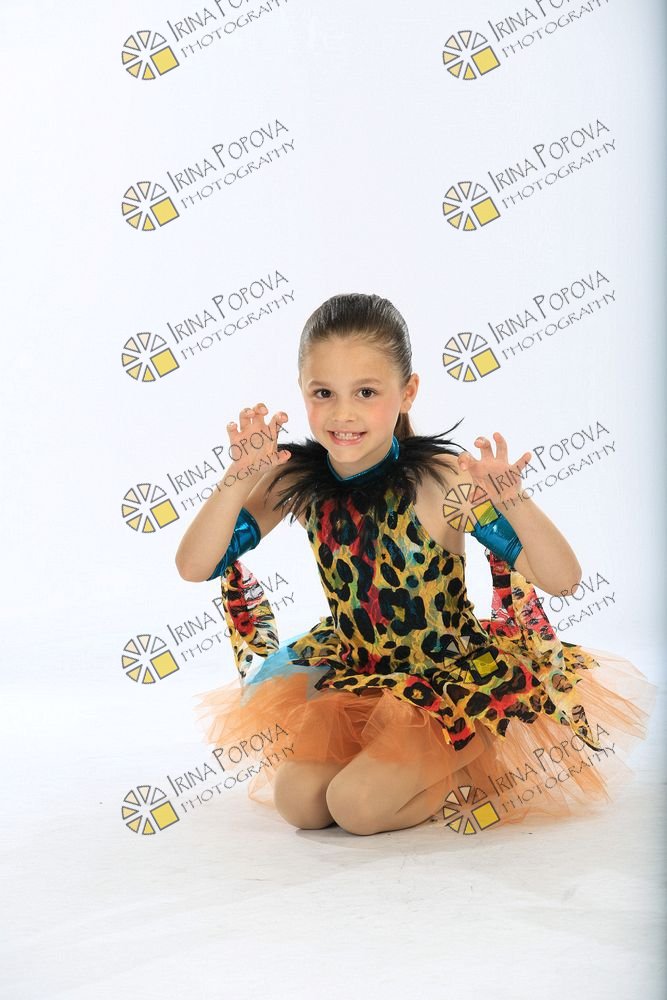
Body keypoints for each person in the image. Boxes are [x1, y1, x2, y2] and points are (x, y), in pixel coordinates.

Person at [176, 293, 657, 837]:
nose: (343, 413)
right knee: (300, 805)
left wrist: (514, 501)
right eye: (323, 393)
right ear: (303, 390)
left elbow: (563, 580)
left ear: (407, 392)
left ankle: (475, 751)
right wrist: (236, 478)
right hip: (358, 676)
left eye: (366, 392)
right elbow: (196, 565)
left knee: (356, 808)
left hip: (446, 683)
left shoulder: (440, 481)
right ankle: (389, 761)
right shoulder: (298, 480)